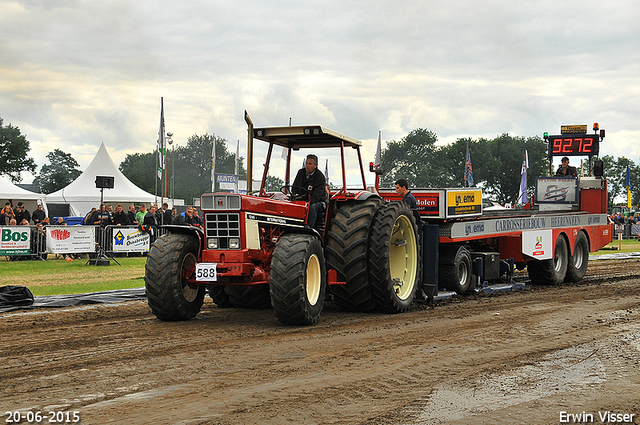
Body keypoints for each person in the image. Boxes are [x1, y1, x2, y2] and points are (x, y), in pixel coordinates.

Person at [292, 154, 327, 228]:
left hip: (317, 201)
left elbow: (317, 196)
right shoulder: (301, 173)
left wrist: (304, 199)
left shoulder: (320, 177)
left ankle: (309, 228)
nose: (307, 166)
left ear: (316, 165)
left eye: (310, 164)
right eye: (306, 163)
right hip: (301, 199)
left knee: (313, 207)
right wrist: (295, 194)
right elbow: (294, 187)